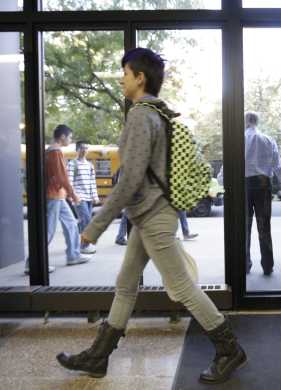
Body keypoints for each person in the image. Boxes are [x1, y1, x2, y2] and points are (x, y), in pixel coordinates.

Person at [56, 48, 246, 384]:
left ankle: (229, 349)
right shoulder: (156, 114)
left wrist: (95, 226)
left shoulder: (141, 116)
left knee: (182, 288)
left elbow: (130, 178)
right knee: (126, 285)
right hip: (148, 215)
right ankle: (98, 357)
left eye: (125, 72)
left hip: (153, 217)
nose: (121, 78)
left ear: (140, 77)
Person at [24, 125, 92, 274]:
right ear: (62, 137)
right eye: (70, 137)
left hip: (57, 196)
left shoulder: (48, 151)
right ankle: (33, 264)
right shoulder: (55, 152)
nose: (71, 140)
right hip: (53, 196)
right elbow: (62, 176)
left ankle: (73, 255)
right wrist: (73, 194)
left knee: (72, 224)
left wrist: (67, 194)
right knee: (48, 231)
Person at [243, 111, 281, 275]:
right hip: (263, 185)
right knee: (264, 227)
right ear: (256, 122)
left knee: (244, 227)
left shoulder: (238, 140)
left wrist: (223, 182)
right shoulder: (268, 140)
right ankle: (267, 265)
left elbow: (228, 163)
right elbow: (278, 166)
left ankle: (245, 264)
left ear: (245, 122)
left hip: (243, 186)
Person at [67, 140, 99, 254]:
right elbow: (69, 182)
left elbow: (92, 182)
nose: (84, 150)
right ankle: (84, 246)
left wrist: (95, 196)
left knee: (82, 222)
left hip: (89, 198)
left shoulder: (90, 165)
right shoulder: (72, 164)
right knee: (87, 221)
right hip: (79, 197)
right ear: (77, 149)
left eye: (86, 148)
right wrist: (72, 197)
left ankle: (74, 242)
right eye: (82, 148)